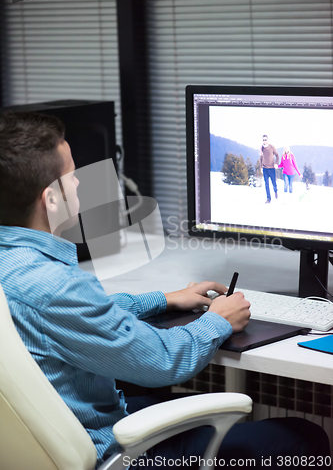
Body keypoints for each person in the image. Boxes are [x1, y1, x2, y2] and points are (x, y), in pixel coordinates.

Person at [0, 112, 330, 469]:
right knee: (302, 438)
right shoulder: (57, 286)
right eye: (73, 174)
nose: (80, 183)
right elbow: (164, 359)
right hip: (110, 453)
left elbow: (75, 313)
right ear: (51, 199)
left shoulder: (22, 272)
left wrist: (162, 299)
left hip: (48, 439)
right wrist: (217, 320)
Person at [260, 135, 279, 204]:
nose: (264, 141)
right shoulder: (262, 148)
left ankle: (275, 191)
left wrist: (276, 163)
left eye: (266, 139)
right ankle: (268, 198)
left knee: (274, 183)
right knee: (266, 184)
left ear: (268, 140)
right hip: (265, 169)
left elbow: (277, 155)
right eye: (263, 140)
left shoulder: (272, 147)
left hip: (272, 168)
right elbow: (261, 158)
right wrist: (261, 167)